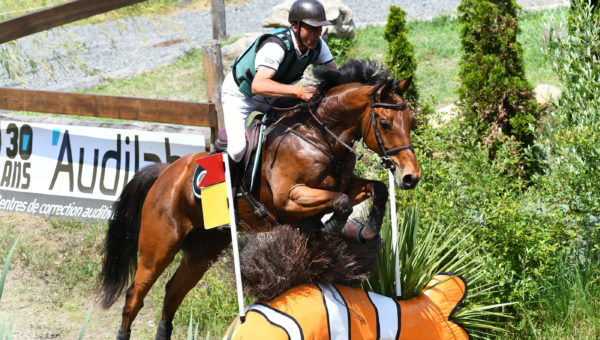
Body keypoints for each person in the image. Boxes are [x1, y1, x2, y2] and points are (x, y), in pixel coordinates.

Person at [221, 0, 338, 171]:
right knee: (237, 149)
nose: (317, 34)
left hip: (274, 94)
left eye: (320, 28)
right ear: (295, 26)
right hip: (240, 95)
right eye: (312, 28)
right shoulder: (275, 46)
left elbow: (337, 75)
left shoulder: (318, 46)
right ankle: (230, 184)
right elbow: (258, 86)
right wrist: (299, 91)